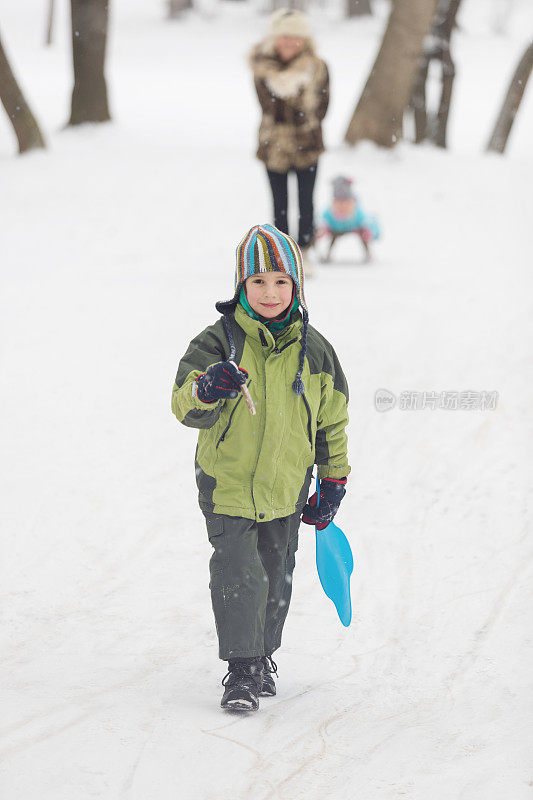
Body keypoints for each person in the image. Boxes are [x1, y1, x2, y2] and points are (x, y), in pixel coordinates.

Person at [171, 224, 350, 712]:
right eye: (258, 282)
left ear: (297, 286)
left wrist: (334, 478)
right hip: (227, 484)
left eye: (280, 282)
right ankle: (243, 667)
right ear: (240, 286)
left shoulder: (315, 351)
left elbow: (332, 420)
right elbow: (184, 405)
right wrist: (209, 387)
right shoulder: (217, 344)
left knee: (277, 572)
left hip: (287, 485)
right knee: (238, 571)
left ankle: (264, 654)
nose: (270, 294)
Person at [249, 9, 329, 277]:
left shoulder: (318, 67)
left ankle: (305, 250)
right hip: (274, 145)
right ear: (276, 38)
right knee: (279, 202)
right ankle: (282, 256)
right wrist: (296, 109)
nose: (290, 43)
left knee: (306, 201)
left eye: (296, 37)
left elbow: (324, 104)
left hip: (308, 144)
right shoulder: (262, 68)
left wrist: (303, 116)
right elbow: (268, 106)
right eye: (285, 37)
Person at [317, 176, 381, 263]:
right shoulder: (329, 213)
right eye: (338, 203)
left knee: (364, 233)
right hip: (335, 229)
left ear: (352, 202)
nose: (342, 206)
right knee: (332, 238)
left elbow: (369, 222)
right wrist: (323, 229)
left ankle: (368, 252)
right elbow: (320, 220)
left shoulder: (357, 213)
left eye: (346, 202)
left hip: (355, 227)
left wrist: (369, 231)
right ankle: (327, 253)